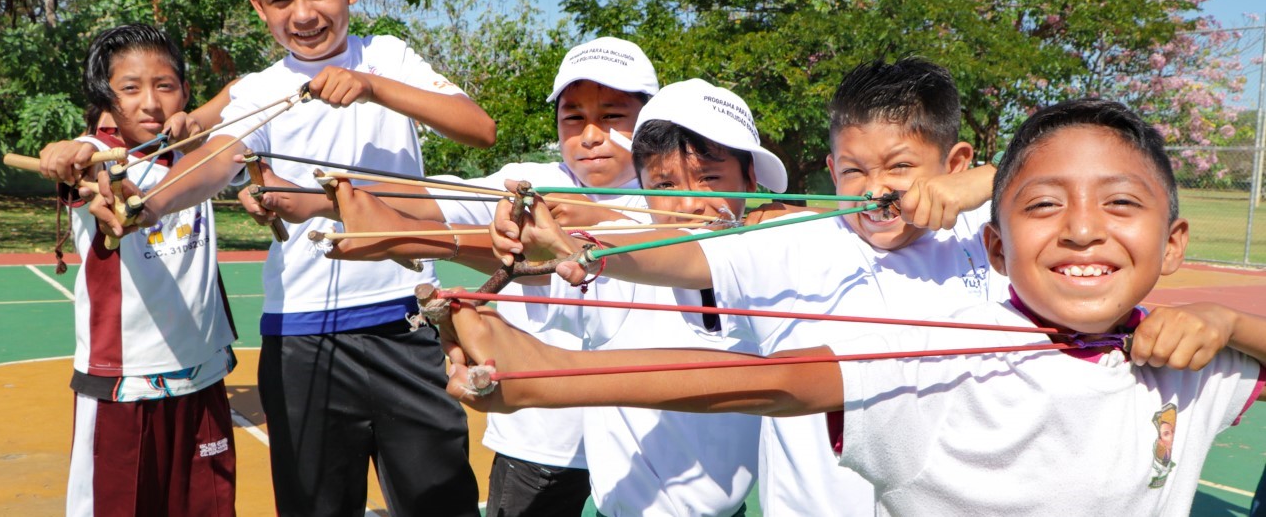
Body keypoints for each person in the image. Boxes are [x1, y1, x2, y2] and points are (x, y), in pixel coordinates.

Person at [448, 97, 1266, 516]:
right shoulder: (953, 346)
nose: (1083, 228)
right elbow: (770, 379)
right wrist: (553, 372)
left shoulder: (1188, 365)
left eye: (1118, 206)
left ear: (1173, 243)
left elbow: (1042, 155)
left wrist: (1228, 322)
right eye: (1046, 208)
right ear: (996, 245)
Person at [94, 0, 494, 517]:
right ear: (259, 5)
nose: (303, 15)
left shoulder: (386, 57)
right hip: (301, 337)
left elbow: (479, 129)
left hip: (405, 324)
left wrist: (372, 87)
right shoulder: (257, 90)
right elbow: (210, 164)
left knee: (440, 501)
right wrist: (142, 205)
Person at [494, 57, 1007, 516]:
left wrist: (987, 181)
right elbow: (682, 254)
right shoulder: (797, 244)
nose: (876, 191)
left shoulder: (986, 231)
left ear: (954, 164)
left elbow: (1073, 167)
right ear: (831, 171)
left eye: (900, 167)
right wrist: (568, 244)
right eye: (853, 171)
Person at [316, 36, 659, 516]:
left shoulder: (670, 200)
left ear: (650, 123)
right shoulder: (524, 182)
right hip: (541, 441)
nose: (590, 134)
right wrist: (320, 191)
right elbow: (428, 195)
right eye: (574, 117)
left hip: (646, 440)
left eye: (613, 116)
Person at [527, 78, 775, 516]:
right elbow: (568, 264)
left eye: (710, 179)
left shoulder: (772, 262)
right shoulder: (615, 251)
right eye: (664, 187)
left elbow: (710, 255)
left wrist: (591, 237)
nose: (689, 204)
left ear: (751, 179)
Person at [37, 24, 238, 516]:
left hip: (202, 377)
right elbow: (72, 157)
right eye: (131, 89)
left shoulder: (199, 150)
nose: (150, 102)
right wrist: (62, 155)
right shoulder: (99, 156)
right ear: (108, 102)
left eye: (165, 85)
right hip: (122, 388)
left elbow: (247, 92)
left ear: (186, 94)